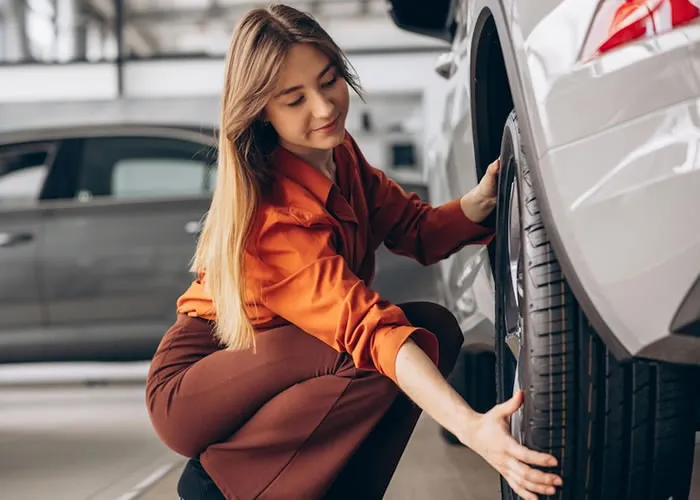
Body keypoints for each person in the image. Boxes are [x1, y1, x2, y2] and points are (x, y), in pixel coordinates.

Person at [145, 4, 563, 500]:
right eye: (294, 99)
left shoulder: (339, 156)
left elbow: (414, 229)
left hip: (285, 356)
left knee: (431, 329)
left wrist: (478, 204)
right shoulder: (276, 218)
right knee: (374, 348)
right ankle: (218, 486)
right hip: (199, 381)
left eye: (328, 81)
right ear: (262, 111)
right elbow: (367, 326)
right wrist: (472, 428)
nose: (323, 108)